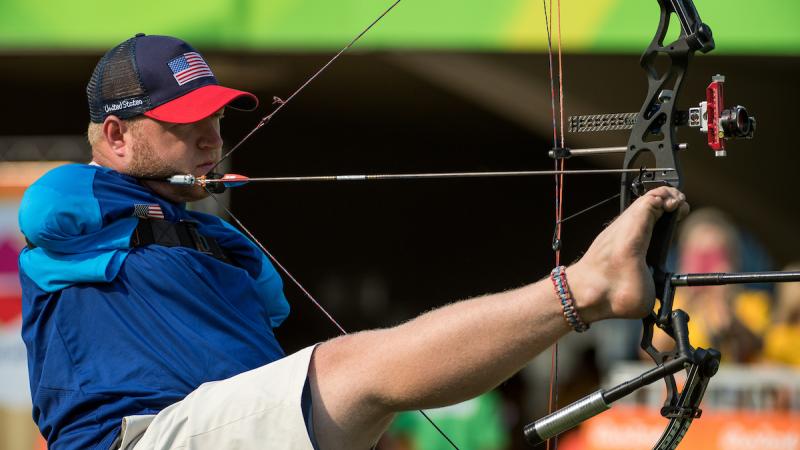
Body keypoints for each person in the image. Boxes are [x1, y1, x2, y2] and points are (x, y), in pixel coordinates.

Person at [18, 33, 689, 450]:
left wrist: (196, 220)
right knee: (344, 372)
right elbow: (49, 205)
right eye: (184, 124)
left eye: (216, 121)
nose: (210, 140)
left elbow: (268, 326)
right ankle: (590, 285)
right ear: (115, 136)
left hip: (227, 432)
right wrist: (161, 206)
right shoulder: (80, 204)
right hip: (140, 441)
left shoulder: (221, 242)